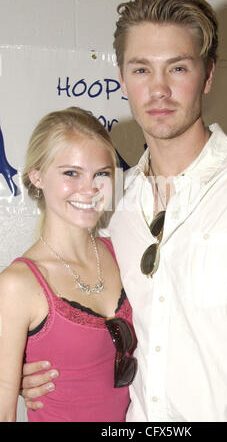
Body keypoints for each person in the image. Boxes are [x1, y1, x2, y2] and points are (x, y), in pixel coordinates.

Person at [21, 0, 227, 422]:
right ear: (123, 77)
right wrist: (23, 366)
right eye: (142, 69)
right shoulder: (110, 196)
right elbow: (71, 302)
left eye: (178, 68)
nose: (159, 90)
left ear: (208, 75)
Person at [0, 107, 137, 422]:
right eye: (71, 173)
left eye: (101, 173)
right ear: (37, 176)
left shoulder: (123, 252)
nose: (89, 189)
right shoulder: (17, 284)